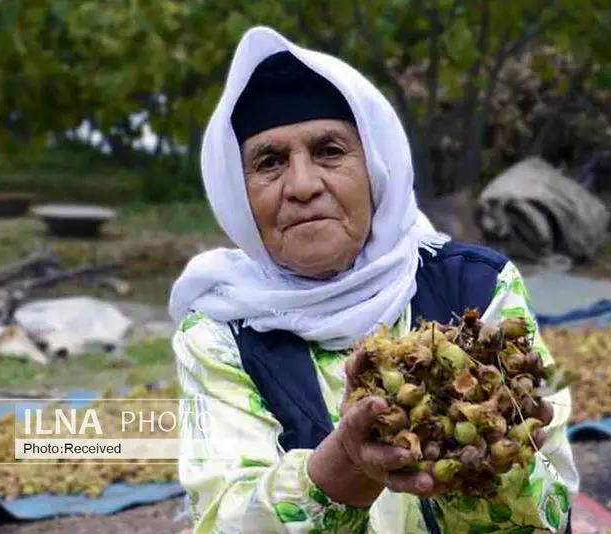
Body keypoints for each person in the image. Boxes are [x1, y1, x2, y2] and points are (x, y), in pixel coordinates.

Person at [169, 26, 579, 534]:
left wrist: (491, 464)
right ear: (236, 190)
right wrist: (343, 466)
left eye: (330, 151)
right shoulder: (218, 331)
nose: (301, 186)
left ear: (377, 168)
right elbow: (223, 519)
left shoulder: (480, 285)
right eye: (269, 162)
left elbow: (554, 506)